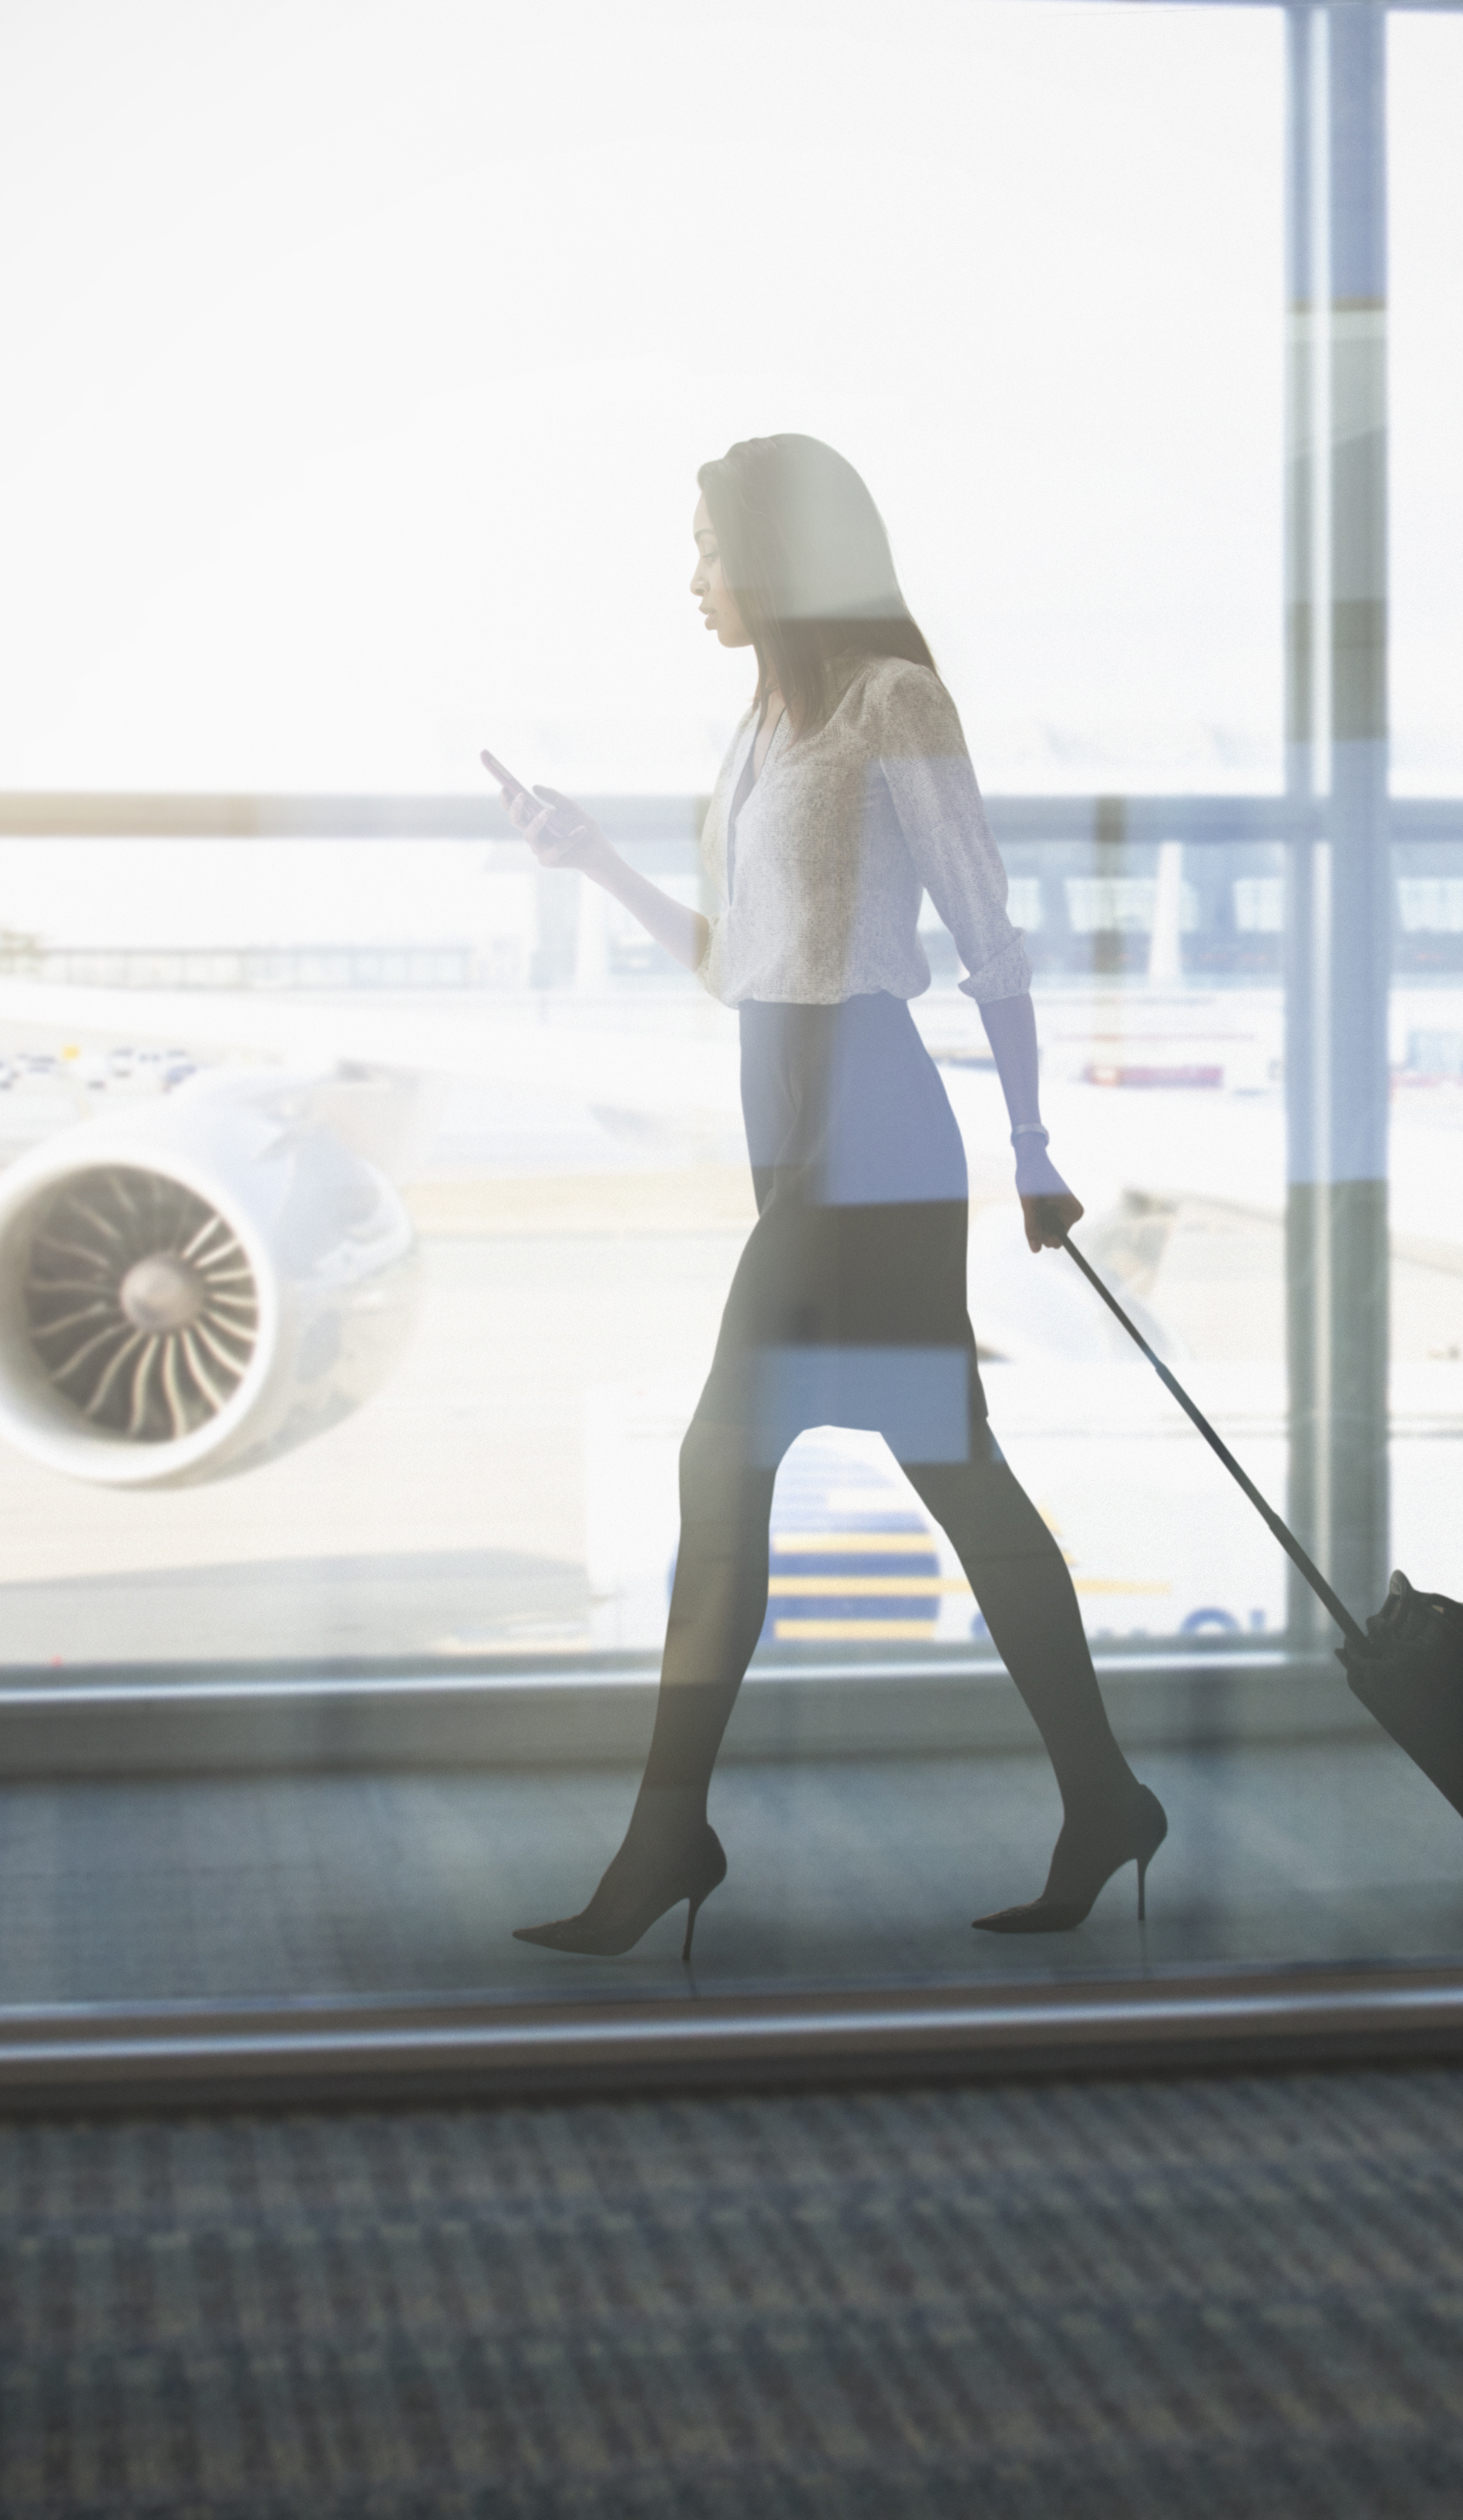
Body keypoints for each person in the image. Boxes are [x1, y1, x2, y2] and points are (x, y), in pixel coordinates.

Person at [493, 434, 1162, 1956]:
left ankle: (665, 1841)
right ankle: (1103, 1796)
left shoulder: (890, 705)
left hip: (873, 1123)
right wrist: (592, 861)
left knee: (717, 1466)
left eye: (710, 550)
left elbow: (989, 937)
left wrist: (1035, 1146)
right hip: (785, 1114)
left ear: (778, 558)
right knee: (959, 1479)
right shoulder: (758, 727)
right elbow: (741, 966)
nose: (692, 580)